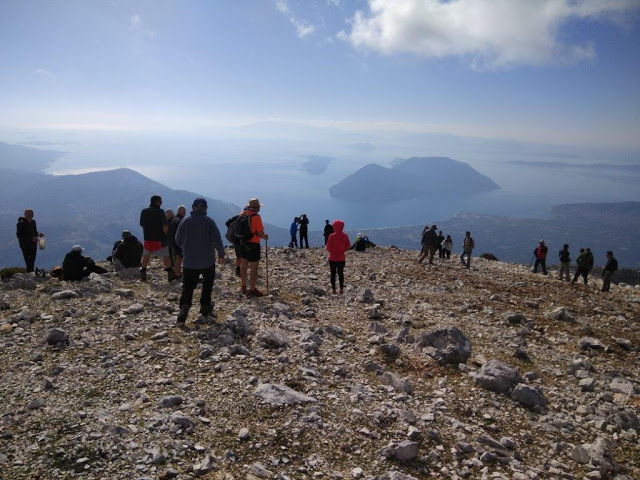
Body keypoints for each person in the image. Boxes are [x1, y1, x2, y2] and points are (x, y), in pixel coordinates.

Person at [174, 198, 225, 324]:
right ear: (206, 209)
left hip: (189, 262)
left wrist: (187, 249)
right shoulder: (209, 222)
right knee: (207, 284)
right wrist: (221, 253)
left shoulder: (184, 221)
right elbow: (217, 239)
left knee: (188, 286)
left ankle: (184, 308)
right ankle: (205, 308)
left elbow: (178, 240)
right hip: (207, 261)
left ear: (193, 207)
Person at [139, 195, 175, 282]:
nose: (161, 203)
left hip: (148, 239)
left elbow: (141, 224)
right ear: (157, 202)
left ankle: (143, 273)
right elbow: (165, 226)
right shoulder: (160, 212)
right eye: (161, 201)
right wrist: (166, 236)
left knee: (146, 256)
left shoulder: (144, 211)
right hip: (160, 240)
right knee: (166, 256)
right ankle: (170, 275)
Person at [239, 198, 268, 296]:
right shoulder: (256, 217)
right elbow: (259, 233)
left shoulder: (243, 214)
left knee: (244, 266)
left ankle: (243, 286)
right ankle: (252, 289)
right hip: (253, 244)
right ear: (257, 208)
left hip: (243, 243)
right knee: (253, 268)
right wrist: (265, 236)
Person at [325, 219, 351, 294]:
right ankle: (341, 289)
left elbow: (328, 247)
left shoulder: (332, 236)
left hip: (332, 258)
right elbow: (348, 246)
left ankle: (333, 290)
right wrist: (342, 251)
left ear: (334, 226)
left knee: (333, 274)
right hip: (341, 258)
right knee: (341, 273)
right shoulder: (345, 236)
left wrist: (333, 251)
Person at [16, 208, 44, 273]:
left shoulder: (33, 222)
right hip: (25, 245)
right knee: (28, 260)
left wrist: (39, 234)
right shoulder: (21, 223)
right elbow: (19, 235)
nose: (29, 215)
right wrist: (31, 238)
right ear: (24, 214)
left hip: (33, 244)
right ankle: (30, 274)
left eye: (30, 213)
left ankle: (31, 272)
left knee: (33, 259)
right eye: (27, 213)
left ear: (33, 214)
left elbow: (34, 232)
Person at [225, 210, 245, 277]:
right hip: (244, 240)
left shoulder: (237, 217)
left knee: (238, 256)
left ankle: (238, 269)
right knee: (245, 257)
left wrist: (232, 230)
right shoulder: (248, 219)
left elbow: (227, 223)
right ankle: (243, 271)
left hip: (236, 240)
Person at [168, 205, 186, 278]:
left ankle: (176, 273)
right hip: (180, 243)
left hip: (173, 242)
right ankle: (177, 274)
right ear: (183, 212)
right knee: (180, 259)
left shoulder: (173, 220)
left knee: (178, 258)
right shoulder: (181, 221)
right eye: (184, 211)